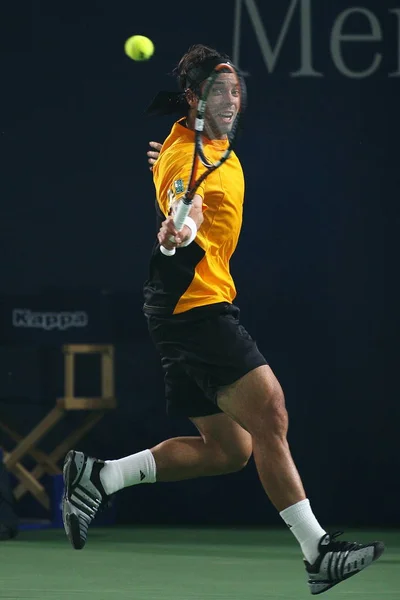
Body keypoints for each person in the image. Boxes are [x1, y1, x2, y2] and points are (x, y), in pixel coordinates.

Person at [62, 44, 384, 594]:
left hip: (182, 307)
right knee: (271, 412)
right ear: (194, 98)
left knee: (230, 450)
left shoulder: (206, 146)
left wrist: (174, 167)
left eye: (235, 90)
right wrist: (175, 231)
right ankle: (317, 550)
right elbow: (179, 212)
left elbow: (181, 173)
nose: (231, 99)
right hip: (195, 307)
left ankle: (101, 475)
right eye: (219, 91)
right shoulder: (180, 159)